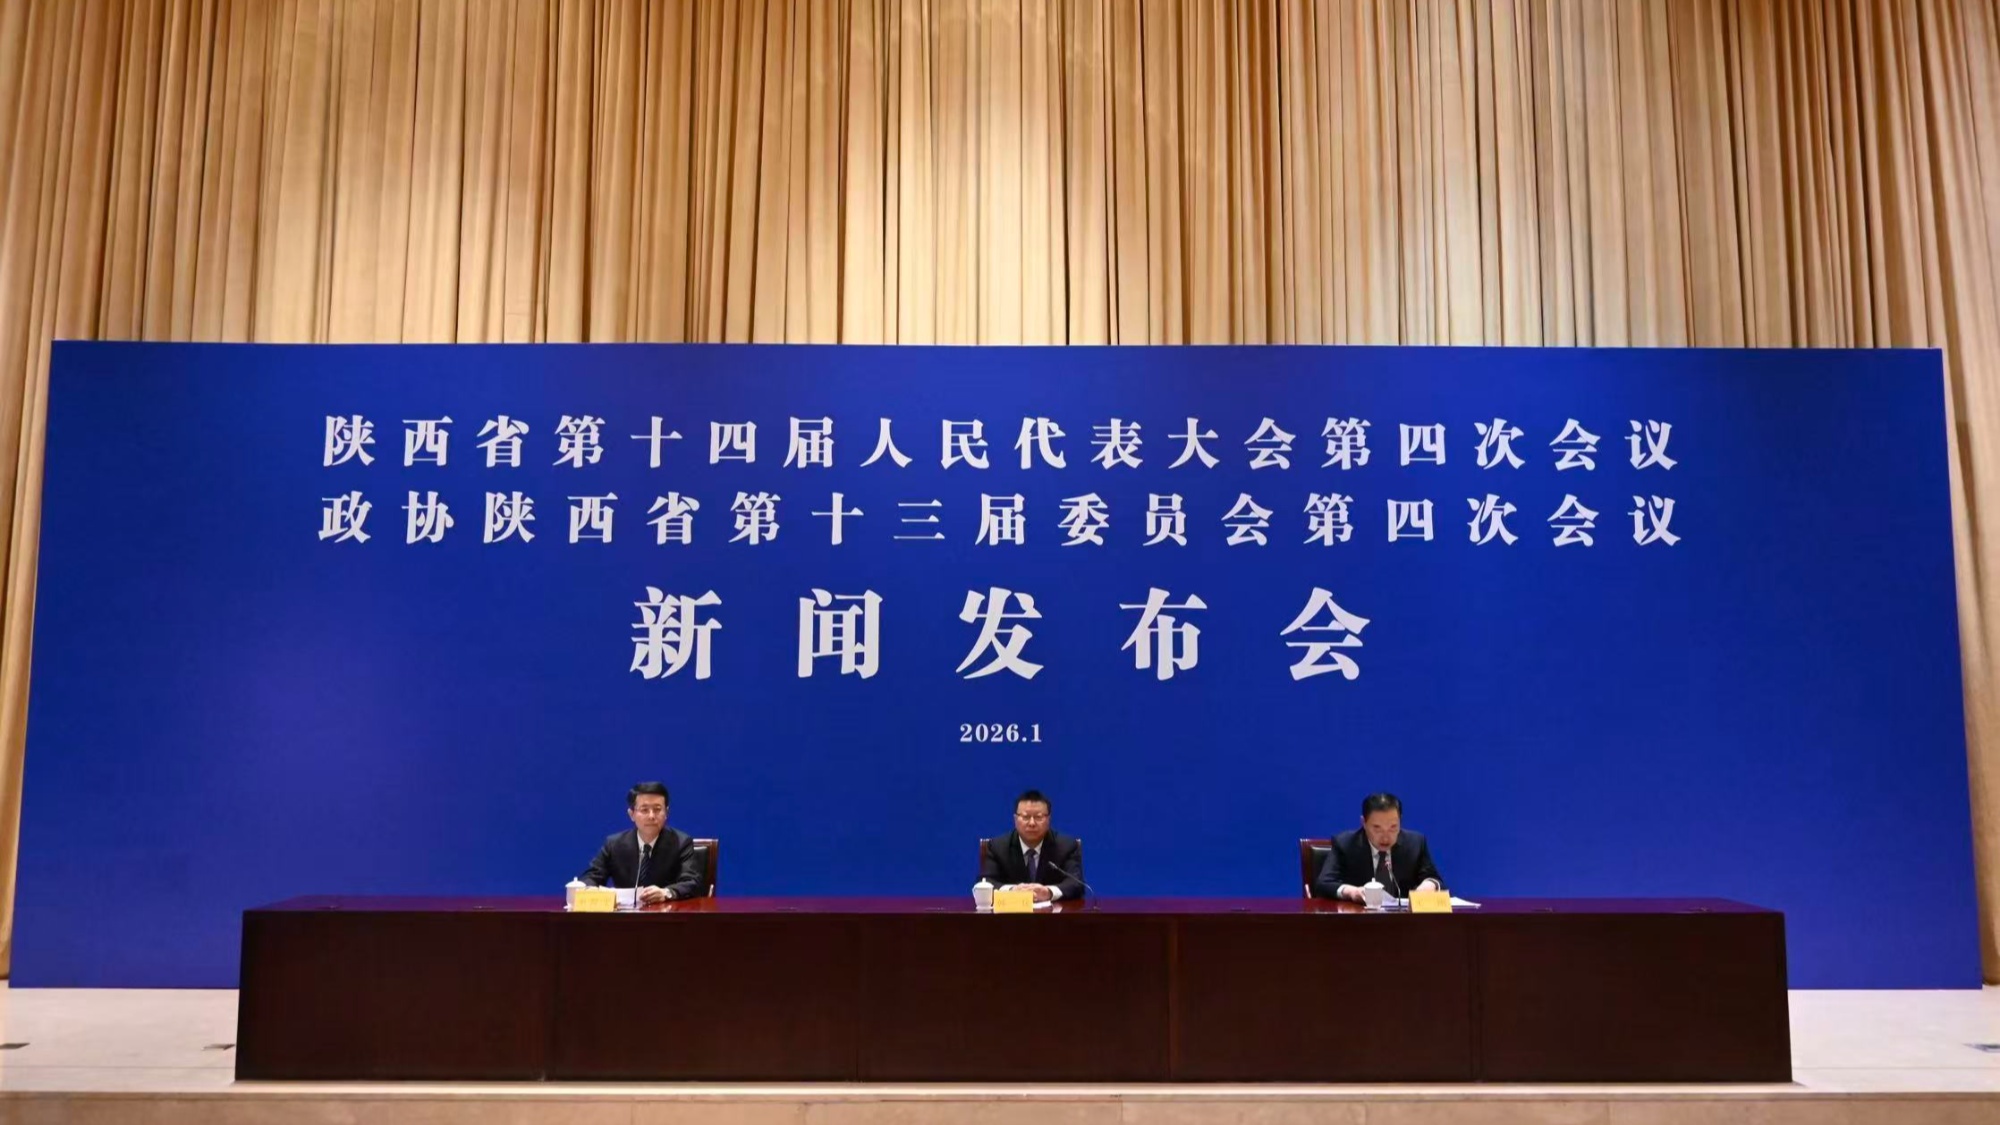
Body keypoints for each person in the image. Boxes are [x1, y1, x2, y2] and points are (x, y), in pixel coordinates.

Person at [578, 782, 707, 903]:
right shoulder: (614, 844)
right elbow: (592, 876)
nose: (651, 816)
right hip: (624, 916)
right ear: (632, 814)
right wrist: (589, 888)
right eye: (644, 810)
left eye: (657, 809)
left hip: (666, 914)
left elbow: (692, 881)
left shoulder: (681, 842)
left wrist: (666, 893)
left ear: (666, 812)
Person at [1313, 792, 1443, 902]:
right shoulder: (1345, 844)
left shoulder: (1415, 843)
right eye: (1377, 828)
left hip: (1405, 921)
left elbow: (1435, 879)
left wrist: (1430, 884)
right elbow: (1324, 883)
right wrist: (1352, 891)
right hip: (1360, 920)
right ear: (1363, 823)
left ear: (1400, 821)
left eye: (1393, 827)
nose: (1386, 838)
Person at [979, 789, 1085, 902]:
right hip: (1011, 912)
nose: (1032, 823)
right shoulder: (997, 847)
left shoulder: (1066, 846)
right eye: (1025, 817)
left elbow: (1076, 883)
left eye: (1038, 817)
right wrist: (1012, 890)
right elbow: (986, 882)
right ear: (1015, 819)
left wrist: (1048, 892)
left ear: (1048, 819)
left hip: (1054, 912)